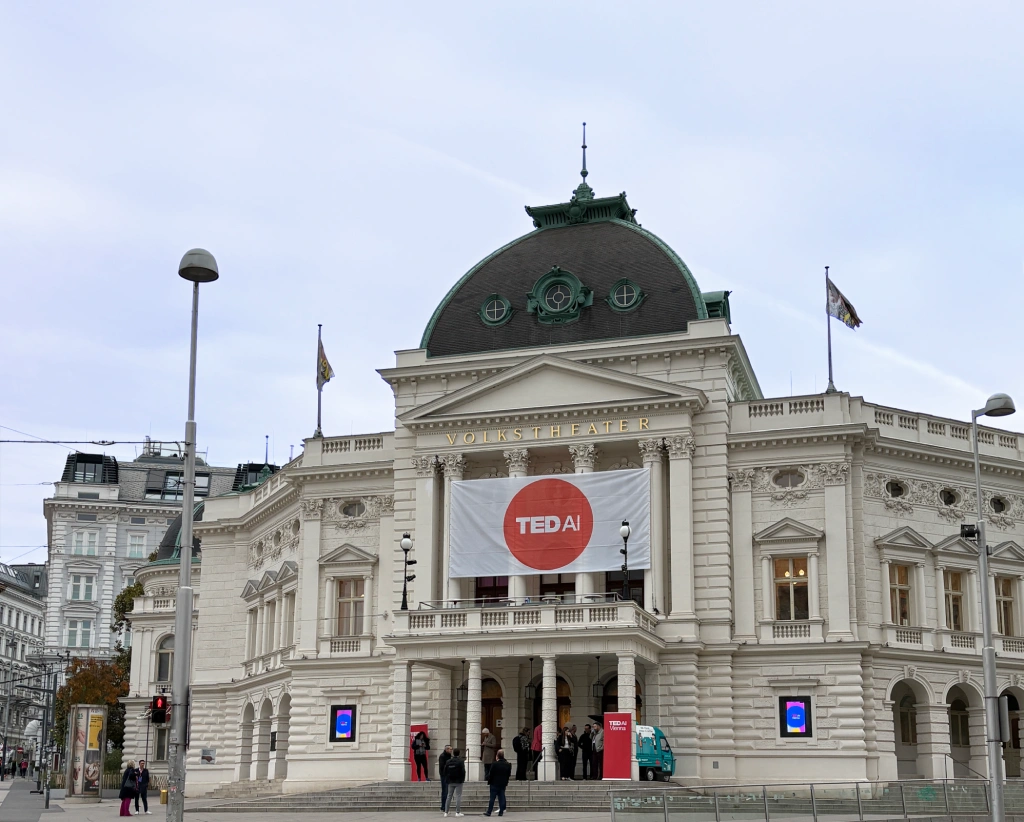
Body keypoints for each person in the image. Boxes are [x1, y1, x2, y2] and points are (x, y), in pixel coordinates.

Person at [484, 749, 512, 817]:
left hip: (494, 783)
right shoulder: (508, 764)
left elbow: (491, 773)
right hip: (503, 783)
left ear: (497, 756)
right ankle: (501, 812)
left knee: (492, 798)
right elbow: (509, 774)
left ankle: (489, 812)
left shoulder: (494, 764)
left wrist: (488, 779)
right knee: (501, 797)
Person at [443, 748, 466, 818]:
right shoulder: (461, 761)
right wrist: (462, 779)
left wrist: (447, 779)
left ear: (453, 753)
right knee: (458, 796)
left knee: (449, 796)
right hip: (458, 781)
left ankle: (446, 812)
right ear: (459, 753)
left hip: (450, 781)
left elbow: (445, 771)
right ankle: (457, 812)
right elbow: (463, 772)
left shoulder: (448, 761)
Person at [438, 744, 453, 811]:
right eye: (450, 749)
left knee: (447, 791)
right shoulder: (442, 756)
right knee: (445, 790)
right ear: (446, 749)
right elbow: (442, 766)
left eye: (451, 749)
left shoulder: (449, 756)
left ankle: (445, 806)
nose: (451, 750)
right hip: (444, 775)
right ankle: (443, 806)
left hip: (448, 775)